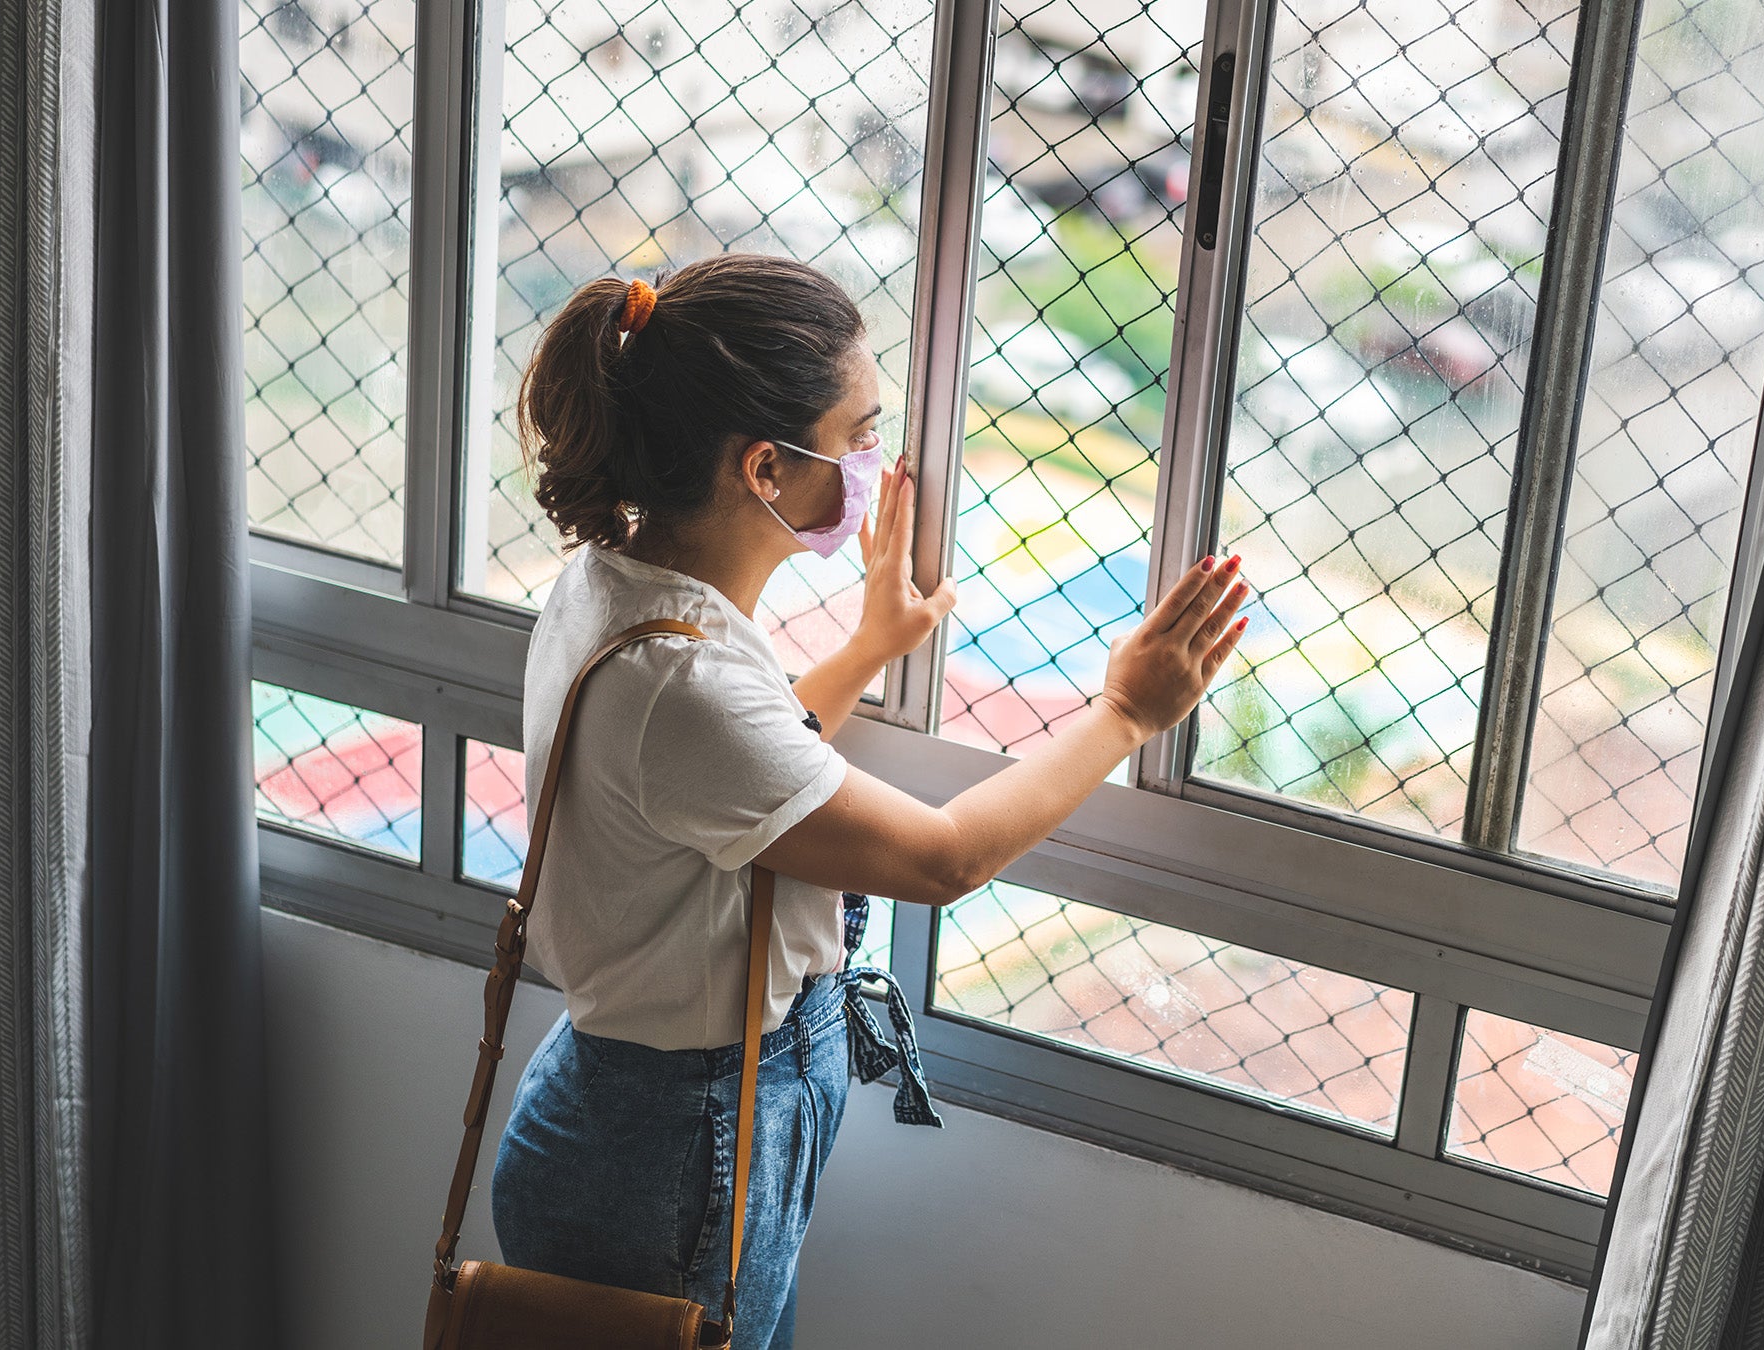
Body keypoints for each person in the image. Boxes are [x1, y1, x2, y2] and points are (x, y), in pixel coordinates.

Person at [487, 253, 1248, 1347]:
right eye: (857, 434)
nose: (871, 462)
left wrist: (867, 649)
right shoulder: (681, 680)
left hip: (652, 1118)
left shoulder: (615, 584)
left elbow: (735, 777)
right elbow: (941, 859)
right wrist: (1125, 714)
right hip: (674, 1149)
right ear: (763, 468)